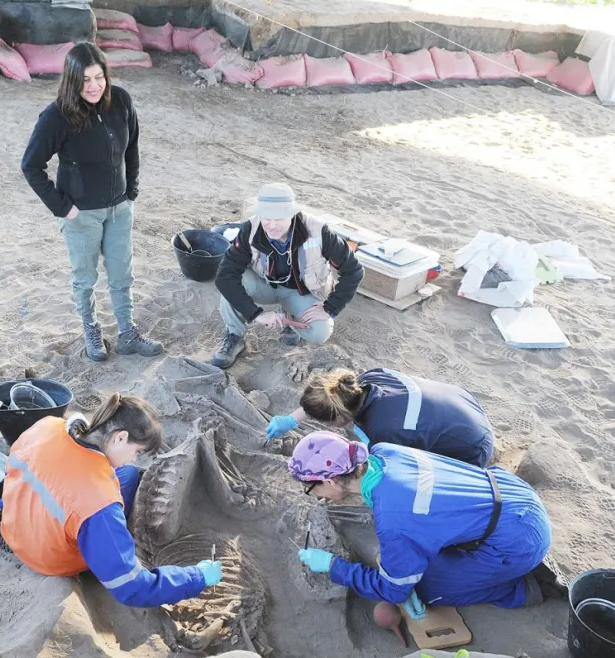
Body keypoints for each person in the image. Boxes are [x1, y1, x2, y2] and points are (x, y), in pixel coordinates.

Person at [0, 394, 223, 607]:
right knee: (118, 485)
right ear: (120, 437)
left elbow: (19, 473)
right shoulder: (99, 505)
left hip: (16, 518)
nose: (136, 458)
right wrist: (197, 577)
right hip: (46, 558)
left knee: (123, 473)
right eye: (137, 451)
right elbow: (133, 587)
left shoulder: (48, 426)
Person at [287, 431, 564, 616]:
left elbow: (392, 590)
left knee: (425, 588)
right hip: (512, 492)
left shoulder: (395, 517)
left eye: (311, 490)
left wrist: (333, 566)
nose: (316, 497)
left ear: (329, 480)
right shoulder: (384, 453)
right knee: (412, 564)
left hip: (520, 537)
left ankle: (530, 585)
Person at [21, 42, 161, 362]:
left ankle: (127, 332)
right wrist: (63, 207)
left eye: (99, 77)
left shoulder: (121, 101)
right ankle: (91, 328)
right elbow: (31, 166)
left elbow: (132, 149)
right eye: (85, 80)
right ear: (72, 81)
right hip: (81, 213)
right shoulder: (56, 117)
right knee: (85, 277)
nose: (95, 86)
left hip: (119, 207)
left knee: (121, 274)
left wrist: (132, 191)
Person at [211, 182, 364, 369]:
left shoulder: (319, 231)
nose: (272, 225)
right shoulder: (249, 230)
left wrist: (330, 307)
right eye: (267, 218)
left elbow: (354, 271)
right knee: (233, 282)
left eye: (279, 218)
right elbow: (224, 276)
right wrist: (256, 314)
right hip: (265, 284)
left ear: (292, 214)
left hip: (300, 291)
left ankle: (291, 318)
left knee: (319, 333)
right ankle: (235, 336)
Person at [266, 367, 495, 468]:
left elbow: (390, 469)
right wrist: (291, 420)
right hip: (464, 405)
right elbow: (328, 398)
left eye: (324, 422)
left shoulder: (385, 432)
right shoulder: (366, 378)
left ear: (339, 417)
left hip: (471, 446)